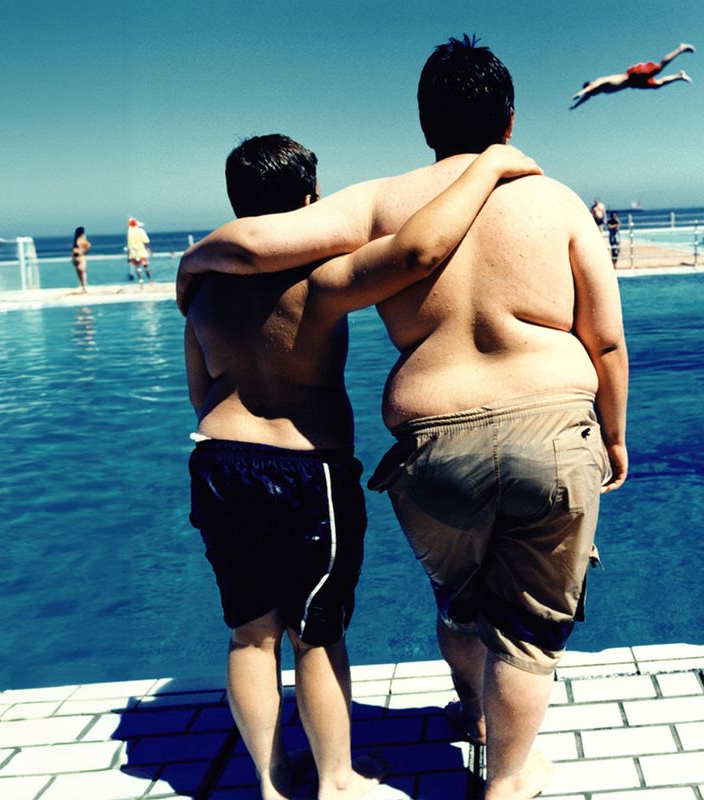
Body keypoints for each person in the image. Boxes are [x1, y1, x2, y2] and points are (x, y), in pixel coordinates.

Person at [178, 36, 628, 800]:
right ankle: (508, 778)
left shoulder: (381, 201)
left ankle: (451, 719)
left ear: (423, 121)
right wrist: (614, 435)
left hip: (427, 447)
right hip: (549, 433)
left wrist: (189, 268)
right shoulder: (553, 199)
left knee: (456, 599)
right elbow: (607, 340)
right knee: (522, 630)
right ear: (511, 119)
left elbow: (256, 247)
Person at [186, 134, 540, 800]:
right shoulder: (319, 279)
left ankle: (269, 782)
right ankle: (337, 780)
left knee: (249, 633)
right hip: (305, 468)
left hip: (217, 460)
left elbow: (197, 387)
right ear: (310, 200)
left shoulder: (203, 292)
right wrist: (490, 164)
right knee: (315, 633)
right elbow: (416, 249)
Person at [569, 43, 694, 110]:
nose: (591, 95)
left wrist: (580, 92)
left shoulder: (599, 82)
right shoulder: (599, 91)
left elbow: (591, 88)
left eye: (590, 92)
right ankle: (679, 76)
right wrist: (576, 105)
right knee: (658, 85)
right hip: (633, 84)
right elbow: (587, 97)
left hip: (632, 75)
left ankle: (680, 48)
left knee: (658, 69)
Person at [127, 217, 152, 284]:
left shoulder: (129, 232)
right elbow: (146, 242)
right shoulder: (141, 231)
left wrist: (128, 256)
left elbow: (129, 245)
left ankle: (140, 280)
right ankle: (150, 280)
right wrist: (149, 250)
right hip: (141, 252)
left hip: (133, 253)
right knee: (146, 267)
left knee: (137, 267)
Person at [71, 227, 90, 293]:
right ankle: (84, 287)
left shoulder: (76, 239)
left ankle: (82, 287)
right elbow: (86, 248)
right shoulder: (81, 239)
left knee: (80, 273)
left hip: (75, 257)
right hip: (80, 257)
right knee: (83, 273)